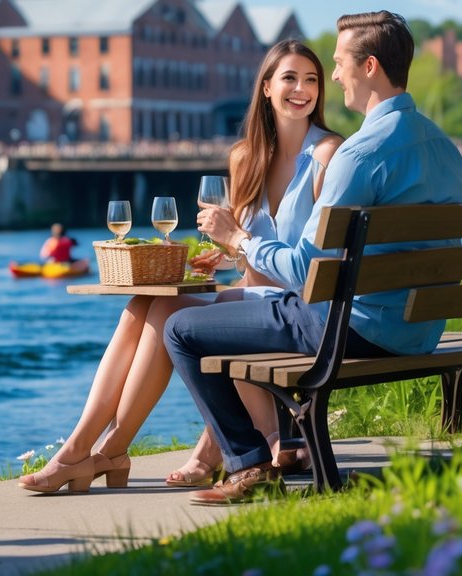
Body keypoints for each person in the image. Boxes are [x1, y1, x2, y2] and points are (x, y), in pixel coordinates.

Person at [165, 10, 462, 506]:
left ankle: (249, 465)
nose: (333, 76)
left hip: (352, 329)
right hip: (420, 329)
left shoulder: (357, 155)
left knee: (180, 328)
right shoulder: (442, 145)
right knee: (235, 315)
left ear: (368, 66)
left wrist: (240, 241)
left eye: (337, 63)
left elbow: (308, 271)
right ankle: (278, 445)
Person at [19, 40, 342, 494]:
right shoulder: (244, 158)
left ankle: (96, 452)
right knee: (143, 304)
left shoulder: (327, 156)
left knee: (162, 312)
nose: (301, 89)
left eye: (311, 80)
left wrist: (238, 243)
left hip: (301, 308)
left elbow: (311, 261)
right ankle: (89, 447)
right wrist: (224, 254)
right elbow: (249, 253)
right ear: (266, 87)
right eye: (289, 78)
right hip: (259, 296)